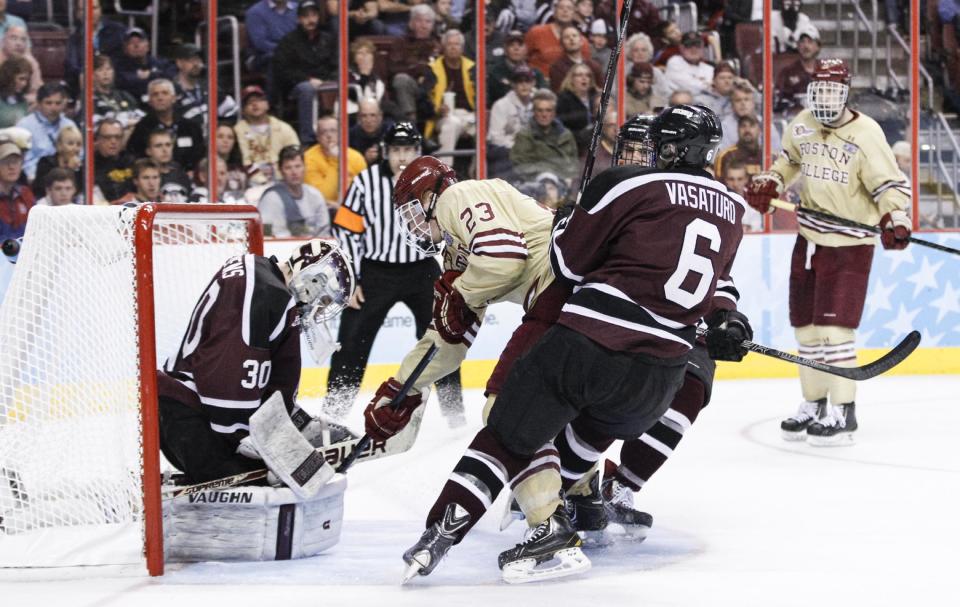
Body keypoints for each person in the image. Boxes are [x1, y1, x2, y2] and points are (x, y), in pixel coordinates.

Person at [398, 104, 749, 582]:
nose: (638, 155)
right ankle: (575, 507)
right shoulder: (732, 207)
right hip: (658, 375)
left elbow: (566, 265)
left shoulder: (622, 184)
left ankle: (446, 532)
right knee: (588, 431)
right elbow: (716, 285)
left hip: (590, 342)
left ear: (665, 148)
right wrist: (729, 321)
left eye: (647, 147)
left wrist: (571, 222)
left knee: (508, 429)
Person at [744, 59, 911, 446]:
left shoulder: (867, 133)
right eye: (819, 90)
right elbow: (788, 162)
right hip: (809, 239)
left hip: (849, 245)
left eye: (833, 91)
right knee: (806, 331)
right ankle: (814, 403)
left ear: (846, 92)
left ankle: (844, 413)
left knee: (835, 331)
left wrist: (895, 217)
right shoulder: (802, 123)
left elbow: (889, 184)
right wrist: (771, 181)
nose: (824, 99)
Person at [157, 239, 354, 484]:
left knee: (285, 476)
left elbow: (274, 380)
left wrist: (298, 423)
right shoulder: (262, 289)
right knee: (267, 482)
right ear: (312, 278)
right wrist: (243, 436)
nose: (319, 308)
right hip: (190, 416)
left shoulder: (269, 286)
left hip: (198, 413)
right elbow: (227, 371)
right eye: (322, 299)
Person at [324, 122, 464, 425]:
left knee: (444, 338)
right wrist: (349, 279)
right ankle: (332, 413)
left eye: (409, 149)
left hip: (422, 271)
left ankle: (456, 415)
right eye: (397, 149)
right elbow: (346, 231)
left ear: (418, 151)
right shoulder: (365, 182)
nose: (403, 156)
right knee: (351, 344)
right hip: (375, 274)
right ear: (385, 151)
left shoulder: (433, 182)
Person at [272, 0, 338, 144]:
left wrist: (329, 80)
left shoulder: (328, 39)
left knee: (342, 84)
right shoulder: (289, 41)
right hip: (298, 85)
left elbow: (336, 64)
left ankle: (342, 134)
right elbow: (283, 71)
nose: (311, 20)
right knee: (308, 89)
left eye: (314, 15)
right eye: (306, 16)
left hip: (326, 82)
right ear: (299, 19)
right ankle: (308, 139)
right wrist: (308, 79)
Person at [126, 79, 206, 174]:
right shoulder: (142, 128)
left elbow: (200, 155)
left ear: (173, 98)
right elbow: (134, 156)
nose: (160, 98)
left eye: (164, 93)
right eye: (155, 94)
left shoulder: (190, 127)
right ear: (150, 101)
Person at [510, 89, 579, 185]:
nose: (544, 115)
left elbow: (574, 164)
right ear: (534, 112)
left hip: (567, 181)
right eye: (540, 110)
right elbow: (520, 168)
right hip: (535, 184)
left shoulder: (566, 135)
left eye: (548, 110)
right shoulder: (524, 135)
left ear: (554, 113)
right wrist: (549, 170)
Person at [259, 144, 331, 237]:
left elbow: (324, 232)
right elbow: (265, 234)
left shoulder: (315, 195)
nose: (294, 172)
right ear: (281, 170)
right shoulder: (271, 199)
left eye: (298, 166)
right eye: (288, 168)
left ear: (305, 167)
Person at [425, 29, 476, 157]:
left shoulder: (472, 68)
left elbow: (483, 95)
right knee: (452, 124)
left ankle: (477, 169)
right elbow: (425, 98)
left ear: (462, 48)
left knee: (484, 128)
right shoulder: (432, 68)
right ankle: (444, 172)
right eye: (450, 44)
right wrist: (438, 109)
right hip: (443, 116)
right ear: (443, 47)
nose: (453, 48)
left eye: (457, 44)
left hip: (469, 115)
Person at [233, 85, 301, 174]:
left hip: (283, 178)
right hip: (252, 180)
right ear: (243, 110)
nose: (255, 104)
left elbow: (296, 156)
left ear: (267, 105)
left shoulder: (284, 128)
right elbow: (243, 162)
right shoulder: (238, 130)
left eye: (259, 100)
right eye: (249, 102)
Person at [304, 114, 367, 209]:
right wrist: (335, 161)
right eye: (324, 131)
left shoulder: (356, 157)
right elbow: (321, 197)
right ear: (317, 137)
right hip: (322, 210)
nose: (329, 135)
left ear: (341, 133)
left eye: (333, 131)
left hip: (352, 210)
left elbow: (365, 193)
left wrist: (342, 207)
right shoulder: (308, 158)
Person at [65, 0, 126, 95]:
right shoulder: (74, 38)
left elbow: (124, 60)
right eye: (84, 9)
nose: (90, 13)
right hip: (87, 84)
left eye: (94, 8)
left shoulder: (118, 31)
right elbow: (72, 65)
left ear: (101, 10)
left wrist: (106, 71)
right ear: (77, 14)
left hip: (118, 83)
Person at [173, 43, 238, 129]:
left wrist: (220, 129)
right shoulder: (170, 91)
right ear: (179, 63)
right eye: (191, 60)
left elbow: (232, 113)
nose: (196, 64)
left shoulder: (210, 87)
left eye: (198, 59)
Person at [487, 65, 535, 177]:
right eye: (519, 81)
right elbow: (495, 137)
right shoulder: (501, 105)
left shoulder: (537, 102)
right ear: (513, 84)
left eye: (527, 81)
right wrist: (517, 148)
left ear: (533, 83)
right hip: (506, 150)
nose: (524, 85)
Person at [524, 0, 591, 76]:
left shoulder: (581, 41)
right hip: (537, 83)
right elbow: (522, 58)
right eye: (561, 7)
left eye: (569, 8)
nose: (565, 11)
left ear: (574, 14)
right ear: (554, 12)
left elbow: (585, 69)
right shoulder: (536, 32)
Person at [112, 27, 176, 101]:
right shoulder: (118, 66)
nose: (136, 46)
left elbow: (171, 75)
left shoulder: (159, 62)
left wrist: (150, 75)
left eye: (140, 41)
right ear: (125, 48)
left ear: (148, 46)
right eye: (131, 43)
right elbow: (123, 82)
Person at [486, 30, 547, 106]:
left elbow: (546, 96)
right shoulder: (495, 72)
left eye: (520, 45)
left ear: (526, 49)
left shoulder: (536, 73)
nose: (516, 48)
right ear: (505, 49)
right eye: (511, 45)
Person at [92, 54, 143, 139]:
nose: (105, 73)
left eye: (108, 69)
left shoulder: (124, 95)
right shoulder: (89, 98)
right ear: (93, 75)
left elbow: (140, 118)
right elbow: (96, 125)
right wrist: (126, 122)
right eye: (100, 70)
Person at [774, 24, 821, 115]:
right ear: (798, 46)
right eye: (802, 42)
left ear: (817, 47)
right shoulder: (787, 72)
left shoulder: (826, 71)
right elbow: (779, 102)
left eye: (810, 42)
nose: (806, 46)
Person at [244, 0, 300, 75]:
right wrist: (289, 50)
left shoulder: (299, 9)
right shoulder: (255, 12)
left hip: (294, 53)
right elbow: (261, 44)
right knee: (279, 58)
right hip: (262, 56)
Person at [548, 24, 604, 93]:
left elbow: (602, 92)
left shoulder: (594, 66)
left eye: (574, 36)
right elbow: (559, 93)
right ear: (562, 45)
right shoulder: (557, 68)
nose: (571, 39)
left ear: (581, 42)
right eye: (567, 37)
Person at [32, 125, 83, 200]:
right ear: (59, 145)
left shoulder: (81, 167)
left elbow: (79, 191)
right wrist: (69, 169)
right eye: (70, 143)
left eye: (78, 144)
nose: (75, 148)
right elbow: (41, 189)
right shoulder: (46, 162)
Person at [92, 118, 134, 203]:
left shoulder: (131, 162)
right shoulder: (89, 166)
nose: (113, 141)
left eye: (117, 137)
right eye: (107, 137)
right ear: (98, 139)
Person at [0, 136, 32, 242]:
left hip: (25, 253)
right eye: (5, 162)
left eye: (16, 161)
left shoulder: (26, 194)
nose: (11, 166)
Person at [664, 32, 714, 96]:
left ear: (702, 47)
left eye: (697, 45)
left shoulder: (709, 69)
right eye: (689, 45)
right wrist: (709, 85)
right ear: (681, 48)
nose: (694, 49)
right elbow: (690, 89)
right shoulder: (674, 62)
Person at [714, 114, 762, 180]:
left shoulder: (767, 156)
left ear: (759, 130)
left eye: (752, 126)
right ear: (737, 130)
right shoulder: (726, 156)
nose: (747, 130)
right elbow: (719, 185)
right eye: (743, 126)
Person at [349, 98, 392, 165]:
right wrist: (364, 160)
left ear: (380, 116)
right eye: (364, 116)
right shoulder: (350, 136)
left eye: (373, 115)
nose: (368, 120)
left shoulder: (391, 131)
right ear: (358, 118)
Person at [0, 55, 30, 128]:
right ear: (9, 77)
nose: (24, 83)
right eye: (21, 79)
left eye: (26, 80)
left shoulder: (23, 102)